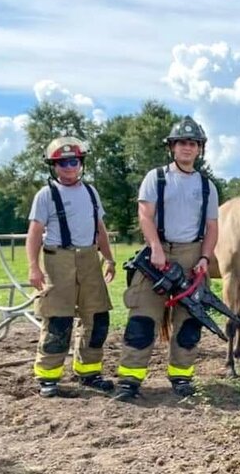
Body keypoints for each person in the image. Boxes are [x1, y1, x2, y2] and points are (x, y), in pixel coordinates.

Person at [114, 116, 219, 401]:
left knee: (190, 323)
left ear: (199, 149)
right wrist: (156, 247)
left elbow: (212, 227)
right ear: (172, 147)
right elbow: (145, 215)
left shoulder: (207, 186)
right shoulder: (156, 178)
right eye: (182, 142)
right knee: (142, 319)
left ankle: (181, 377)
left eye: (193, 143)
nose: (187, 147)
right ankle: (130, 380)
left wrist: (205, 258)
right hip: (156, 256)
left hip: (192, 255)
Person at [26, 136, 117, 398]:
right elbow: (35, 232)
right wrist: (34, 267)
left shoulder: (90, 192)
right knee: (58, 320)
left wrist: (108, 258)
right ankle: (48, 378)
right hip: (59, 260)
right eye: (63, 163)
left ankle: (88, 372)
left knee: (97, 318)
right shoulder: (46, 195)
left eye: (73, 161)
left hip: (89, 259)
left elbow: (100, 228)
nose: (69, 167)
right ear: (53, 166)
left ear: (81, 163)